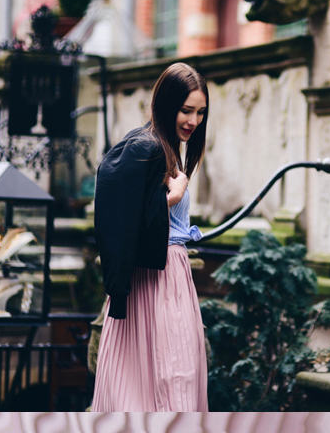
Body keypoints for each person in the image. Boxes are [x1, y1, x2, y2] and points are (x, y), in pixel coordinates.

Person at [92, 62, 209, 412]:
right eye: (186, 110)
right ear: (165, 103)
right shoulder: (150, 147)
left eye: (201, 112)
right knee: (166, 377)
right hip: (156, 281)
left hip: (169, 274)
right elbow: (116, 208)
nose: (193, 120)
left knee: (156, 379)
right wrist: (170, 198)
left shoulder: (157, 146)